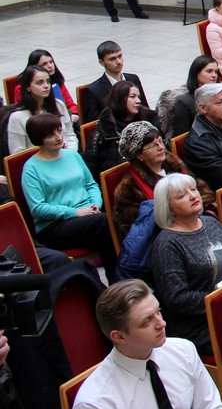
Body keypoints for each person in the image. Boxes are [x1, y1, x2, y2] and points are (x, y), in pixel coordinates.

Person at [71, 278, 222, 409]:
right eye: (147, 322)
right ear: (119, 337)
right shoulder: (95, 404)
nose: (161, 324)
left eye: (158, 312)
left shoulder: (183, 350)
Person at [149, 173, 222, 355]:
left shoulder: (211, 223)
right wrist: (221, 300)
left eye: (193, 189)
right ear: (169, 208)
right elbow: (177, 298)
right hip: (203, 324)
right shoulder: (167, 244)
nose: (193, 196)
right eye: (182, 195)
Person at [20, 113, 118, 279]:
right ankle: (120, 281)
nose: (59, 137)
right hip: (55, 226)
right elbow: (38, 208)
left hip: (89, 217)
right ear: (39, 139)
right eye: (51, 135)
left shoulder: (72, 155)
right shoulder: (31, 169)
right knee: (107, 223)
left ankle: (118, 282)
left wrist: (95, 204)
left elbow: (91, 184)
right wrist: (75, 212)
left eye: (59, 131)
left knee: (110, 226)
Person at [111, 120, 214, 243]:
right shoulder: (130, 187)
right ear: (139, 155)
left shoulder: (174, 165)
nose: (161, 147)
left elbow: (201, 190)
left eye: (160, 141)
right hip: (168, 239)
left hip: (198, 223)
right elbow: (138, 230)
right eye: (153, 145)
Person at [86, 79, 157, 177]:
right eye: (132, 97)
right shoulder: (102, 133)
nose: (138, 101)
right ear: (119, 99)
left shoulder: (149, 121)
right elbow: (92, 169)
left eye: (138, 97)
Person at [8, 64, 77, 155]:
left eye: (48, 81)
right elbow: (17, 153)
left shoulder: (58, 105)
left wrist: (70, 153)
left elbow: (70, 135)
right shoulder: (17, 117)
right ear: (28, 87)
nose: (46, 86)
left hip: (66, 155)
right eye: (40, 82)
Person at [156, 55, 219, 140]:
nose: (214, 75)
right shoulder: (184, 102)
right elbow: (183, 137)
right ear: (197, 74)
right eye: (209, 71)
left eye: (216, 72)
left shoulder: (221, 94)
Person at [82, 41, 146, 123]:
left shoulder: (133, 78)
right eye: (112, 59)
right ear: (101, 62)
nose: (119, 62)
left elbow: (144, 107)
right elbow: (92, 125)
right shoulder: (93, 91)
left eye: (120, 56)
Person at [23, 49, 80, 126]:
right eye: (44, 64)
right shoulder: (21, 87)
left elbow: (70, 104)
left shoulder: (57, 81)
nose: (50, 66)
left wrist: (73, 113)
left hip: (62, 115)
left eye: (51, 62)